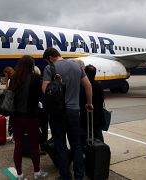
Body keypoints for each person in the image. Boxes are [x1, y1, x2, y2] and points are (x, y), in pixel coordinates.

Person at [42, 47, 93, 180]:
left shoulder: (50, 69)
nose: (49, 64)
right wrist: (89, 103)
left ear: (50, 57)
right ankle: (79, 175)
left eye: (48, 61)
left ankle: (65, 176)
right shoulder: (77, 66)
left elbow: (45, 90)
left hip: (57, 113)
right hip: (74, 111)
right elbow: (88, 85)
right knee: (76, 144)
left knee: (61, 145)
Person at [8, 55, 48, 180]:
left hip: (16, 117)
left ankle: (19, 175)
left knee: (18, 146)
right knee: (34, 145)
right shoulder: (36, 78)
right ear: (31, 66)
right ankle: (36, 172)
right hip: (31, 117)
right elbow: (39, 96)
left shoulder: (13, 78)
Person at [80, 65, 105, 146]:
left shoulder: (83, 86)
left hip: (86, 114)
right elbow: (102, 99)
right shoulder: (99, 85)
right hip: (97, 114)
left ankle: (87, 149)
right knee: (98, 133)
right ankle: (100, 148)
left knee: (85, 133)